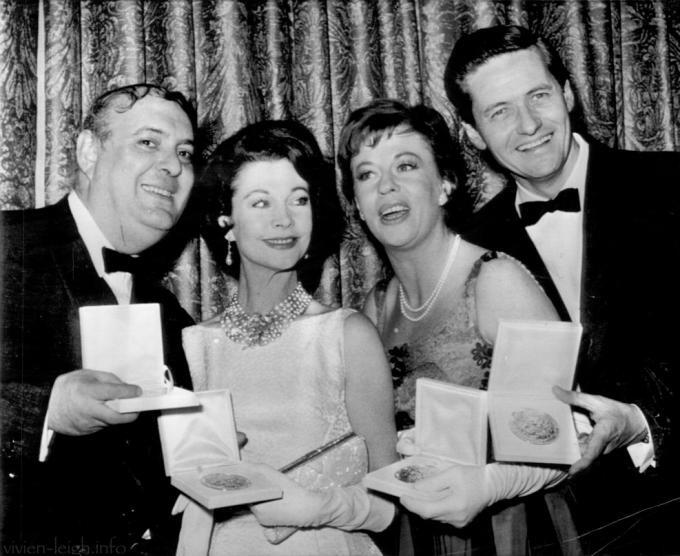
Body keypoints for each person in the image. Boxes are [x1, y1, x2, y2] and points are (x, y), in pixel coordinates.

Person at [445, 24, 680, 552]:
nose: (528, 124)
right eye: (499, 111)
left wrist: (643, 422)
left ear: (568, 93)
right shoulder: (470, 249)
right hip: (566, 534)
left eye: (539, 96)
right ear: (473, 133)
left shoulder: (673, 186)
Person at [337, 99, 581, 555]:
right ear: (357, 204)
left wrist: (487, 483)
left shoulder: (496, 280)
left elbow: (570, 433)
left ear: (445, 184)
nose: (386, 187)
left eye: (405, 166)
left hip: (513, 531)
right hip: (418, 534)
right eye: (366, 175)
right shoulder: (374, 307)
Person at [176, 119, 398, 555]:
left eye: (299, 199)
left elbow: (389, 503)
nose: (284, 219)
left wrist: (316, 507)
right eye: (261, 203)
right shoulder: (192, 345)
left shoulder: (346, 335)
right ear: (226, 219)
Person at [0, 83, 197, 553]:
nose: (173, 165)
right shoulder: (5, 247)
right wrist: (48, 408)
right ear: (89, 151)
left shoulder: (174, 316)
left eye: (185, 153)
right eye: (148, 142)